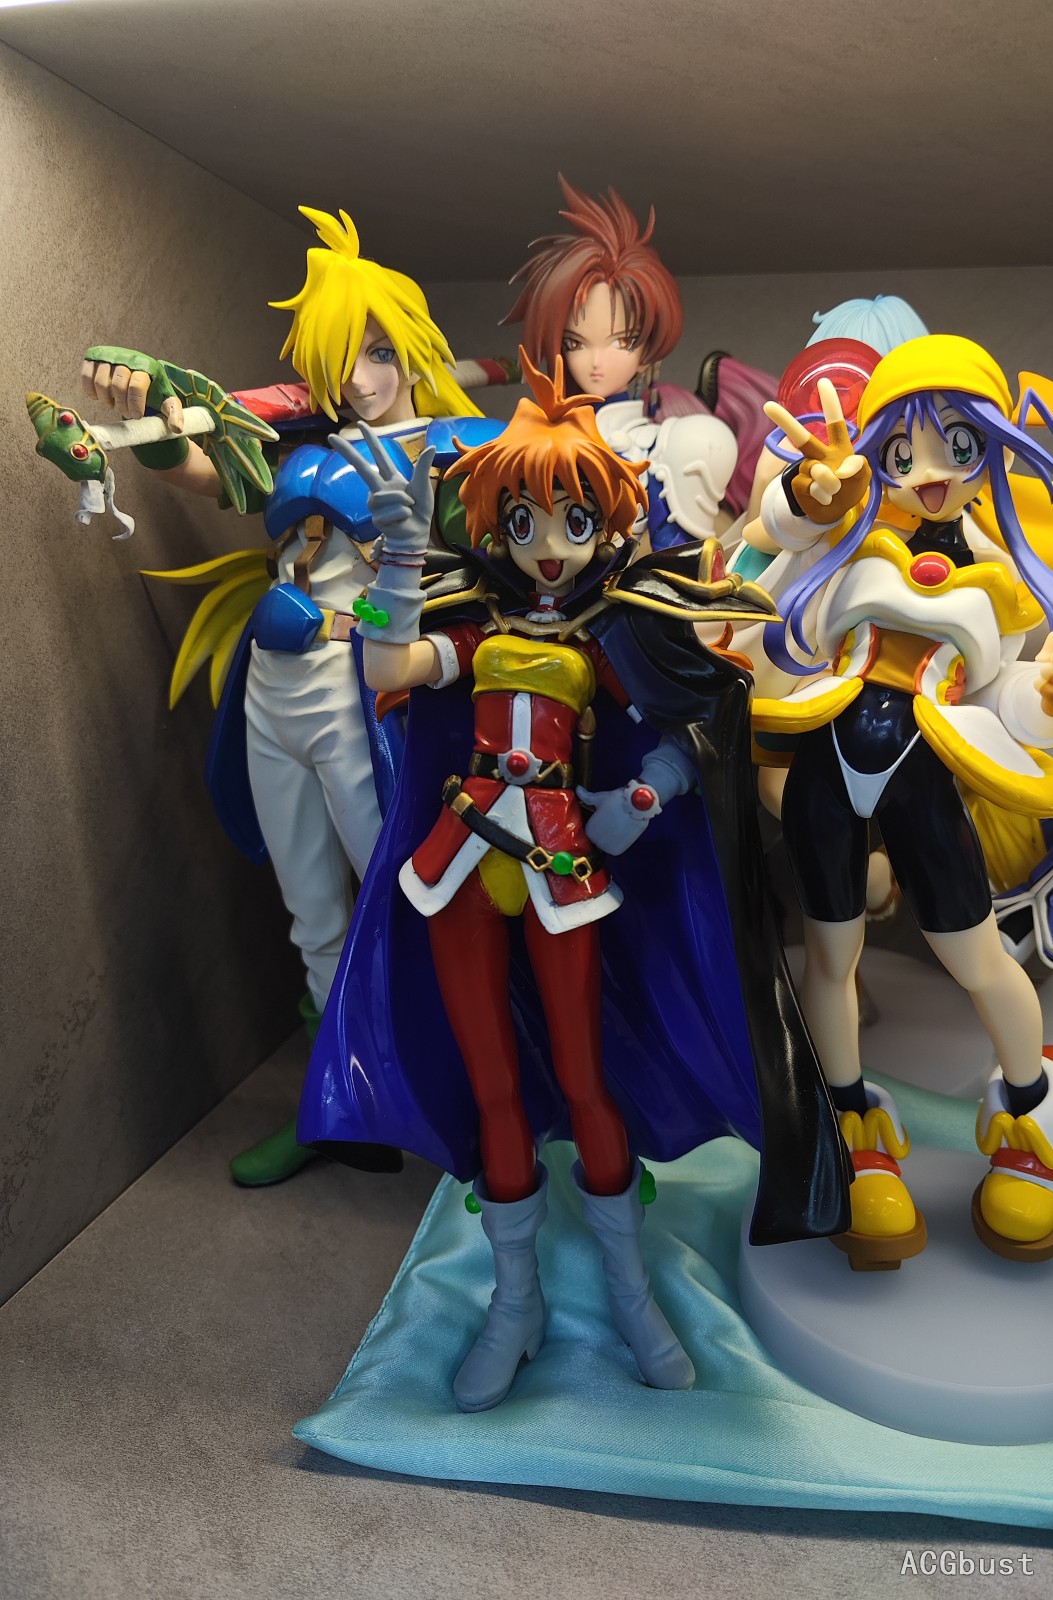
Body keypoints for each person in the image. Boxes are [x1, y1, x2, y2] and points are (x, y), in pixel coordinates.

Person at [297, 350, 850, 1408]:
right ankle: (515, 1300)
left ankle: (630, 1292)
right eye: (522, 522)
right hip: (458, 863)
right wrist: (402, 558)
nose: (547, 546)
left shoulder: (619, 633)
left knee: (587, 1080)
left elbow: (697, 726)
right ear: (493, 527)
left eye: (574, 521)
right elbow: (389, 669)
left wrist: (642, 795)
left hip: (564, 864)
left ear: (609, 525)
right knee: (494, 1084)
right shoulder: (472, 622)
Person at [754, 334, 1053, 1268]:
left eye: (956, 447)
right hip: (828, 771)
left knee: (980, 960)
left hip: (926, 776)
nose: (927, 472)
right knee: (827, 961)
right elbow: (771, 546)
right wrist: (806, 496)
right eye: (902, 449)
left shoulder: (1001, 575)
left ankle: (1037, 1114)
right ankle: (854, 1130)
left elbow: (1010, 704)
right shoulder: (845, 535)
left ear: (992, 448)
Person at [80, 206, 486, 1184]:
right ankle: (338, 1109)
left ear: (412, 349)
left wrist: (366, 619)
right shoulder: (303, 443)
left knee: (406, 900)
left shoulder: (462, 448)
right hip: (274, 690)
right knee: (311, 912)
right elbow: (200, 470)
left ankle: (456, 1101)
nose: (362, 378)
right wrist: (149, 409)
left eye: (379, 352)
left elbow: (491, 578)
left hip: (366, 694)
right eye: (343, 358)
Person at [504, 176, 774, 546]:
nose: (596, 362)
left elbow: (675, 561)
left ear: (647, 351)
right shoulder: (533, 438)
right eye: (575, 343)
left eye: (622, 342)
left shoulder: (664, 447)